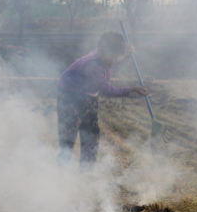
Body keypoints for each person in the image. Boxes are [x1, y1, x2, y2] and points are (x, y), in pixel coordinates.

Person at [57, 32, 148, 168]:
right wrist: (131, 90)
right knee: (68, 139)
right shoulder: (93, 66)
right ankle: (60, 174)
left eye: (117, 56)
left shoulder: (103, 58)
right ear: (103, 50)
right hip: (70, 99)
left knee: (91, 137)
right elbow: (107, 90)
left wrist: (126, 56)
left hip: (88, 97)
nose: (114, 60)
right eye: (113, 56)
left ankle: (86, 174)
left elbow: (111, 67)